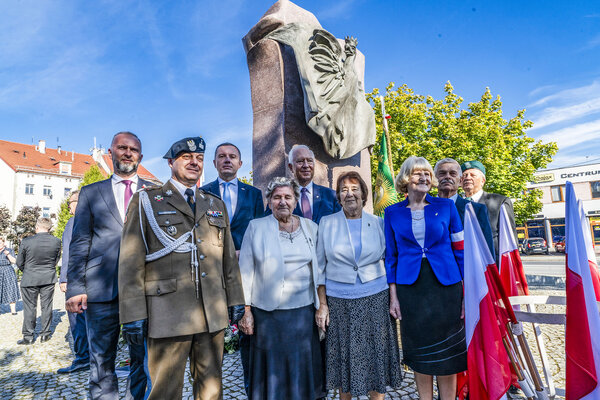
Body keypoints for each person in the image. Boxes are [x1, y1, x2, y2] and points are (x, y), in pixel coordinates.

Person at [118, 136, 244, 400]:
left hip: (211, 312)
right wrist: (132, 314)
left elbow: (227, 259)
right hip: (167, 313)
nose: (194, 162)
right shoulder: (148, 201)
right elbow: (130, 262)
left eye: (198, 158)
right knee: (165, 390)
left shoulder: (214, 204)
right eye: (186, 157)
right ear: (170, 162)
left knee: (211, 389)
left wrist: (235, 300)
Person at [66, 131, 150, 400]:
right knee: (101, 362)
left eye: (133, 149)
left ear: (140, 156)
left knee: (144, 360)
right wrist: (75, 287)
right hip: (102, 289)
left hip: (144, 288)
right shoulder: (91, 193)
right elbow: (80, 242)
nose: (128, 153)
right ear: (110, 153)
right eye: (122, 148)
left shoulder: (155, 193)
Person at [385, 156, 466, 400]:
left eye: (428, 174)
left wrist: (465, 292)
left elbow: (460, 249)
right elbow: (391, 257)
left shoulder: (446, 207)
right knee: (420, 351)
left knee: (448, 352)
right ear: (405, 179)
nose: (424, 178)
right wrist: (394, 298)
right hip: (412, 289)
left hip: (446, 286)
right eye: (418, 173)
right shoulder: (391, 213)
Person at [316, 171, 402, 400]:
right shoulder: (326, 223)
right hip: (339, 300)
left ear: (364, 194)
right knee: (346, 358)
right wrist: (322, 304)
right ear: (338, 197)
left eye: (355, 189)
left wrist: (393, 297)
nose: (349, 194)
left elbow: (389, 260)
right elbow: (319, 268)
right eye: (344, 190)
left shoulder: (379, 223)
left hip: (375, 298)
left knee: (375, 357)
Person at [238, 176, 323, 400]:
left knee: (303, 367)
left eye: (287, 197)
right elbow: (245, 271)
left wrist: (322, 305)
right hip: (268, 314)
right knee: (273, 374)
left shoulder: (311, 227)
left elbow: (321, 270)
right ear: (268, 201)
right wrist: (246, 311)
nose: (282, 201)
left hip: (304, 313)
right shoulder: (256, 227)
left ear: (296, 200)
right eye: (277, 197)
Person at [201, 141, 264, 395]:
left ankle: (252, 390)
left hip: (246, 274)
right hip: (213, 276)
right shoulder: (202, 194)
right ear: (214, 163)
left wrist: (245, 251)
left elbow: (260, 231)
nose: (227, 160)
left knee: (249, 336)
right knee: (210, 341)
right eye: (221, 156)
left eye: (232, 156)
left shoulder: (254, 195)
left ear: (240, 163)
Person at [434, 158, 495, 258]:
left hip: (466, 271)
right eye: (442, 173)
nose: (448, 176)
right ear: (434, 179)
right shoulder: (424, 208)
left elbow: (487, 252)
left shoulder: (476, 210)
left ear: (460, 181)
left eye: (453, 174)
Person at [57, 190, 89, 373]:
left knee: (77, 320)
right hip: (94, 279)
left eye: (70, 202)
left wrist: (64, 278)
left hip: (76, 279)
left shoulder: (73, 222)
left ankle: (83, 358)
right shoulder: (93, 220)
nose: (69, 206)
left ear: (78, 202)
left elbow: (69, 252)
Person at [16, 217, 62, 345]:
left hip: (30, 277)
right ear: (50, 228)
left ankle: (28, 336)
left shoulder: (26, 241)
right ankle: (45, 335)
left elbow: (19, 262)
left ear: (37, 227)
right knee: (47, 306)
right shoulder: (56, 241)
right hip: (48, 277)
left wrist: (28, 270)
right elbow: (56, 260)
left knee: (30, 307)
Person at [461, 160, 517, 263]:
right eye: (464, 175)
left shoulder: (499, 202)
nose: (467, 177)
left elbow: (510, 239)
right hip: (465, 264)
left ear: (483, 181)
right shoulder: (455, 205)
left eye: (473, 175)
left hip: (492, 264)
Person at [288, 144, 341, 224]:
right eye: (300, 161)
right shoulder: (280, 197)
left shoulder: (331, 196)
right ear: (291, 167)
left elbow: (341, 227)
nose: (306, 165)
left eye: (309, 161)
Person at [0, 236, 19, 315]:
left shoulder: (9, 250)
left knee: (10, 289)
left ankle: (13, 310)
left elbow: (14, 261)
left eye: (0, 242)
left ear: (3, 243)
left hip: (8, 270)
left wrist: (8, 255)